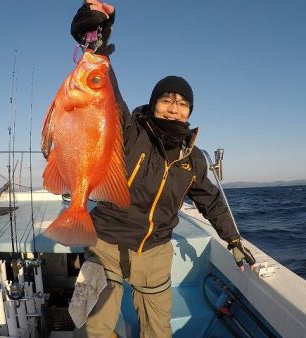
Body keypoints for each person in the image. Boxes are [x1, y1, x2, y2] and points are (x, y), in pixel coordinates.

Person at [70, 1, 256, 337]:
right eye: (166, 100)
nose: (173, 108)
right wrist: (94, 43)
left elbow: (211, 201)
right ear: (153, 104)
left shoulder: (193, 159)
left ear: (189, 112)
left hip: (155, 253)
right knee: (90, 327)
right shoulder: (130, 132)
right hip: (104, 245)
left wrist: (233, 240)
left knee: (158, 332)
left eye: (182, 103)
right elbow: (105, 93)